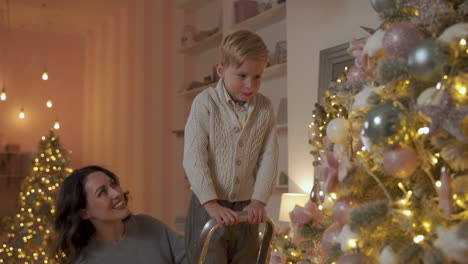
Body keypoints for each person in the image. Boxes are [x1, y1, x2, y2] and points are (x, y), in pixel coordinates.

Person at [183, 30, 279, 264]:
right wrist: (210, 203)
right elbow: (194, 156)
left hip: (246, 209)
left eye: (257, 77)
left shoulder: (264, 108)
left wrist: (259, 200)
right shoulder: (205, 103)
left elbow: (269, 157)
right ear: (221, 70)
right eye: (242, 75)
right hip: (208, 208)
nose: (250, 84)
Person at [53, 165, 187, 264]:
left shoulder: (150, 226)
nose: (116, 193)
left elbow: (194, 257)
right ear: (84, 213)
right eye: (102, 192)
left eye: (113, 184)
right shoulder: (84, 260)